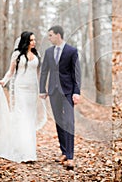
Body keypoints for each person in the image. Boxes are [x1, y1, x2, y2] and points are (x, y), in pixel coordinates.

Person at [0, 31, 46, 163]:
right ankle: (23, 151)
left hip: (33, 90)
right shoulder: (17, 54)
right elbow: (11, 72)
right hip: (20, 88)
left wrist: (43, 89)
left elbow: (39, 74)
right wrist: (4, 81)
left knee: (30, 117)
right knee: (22, 117)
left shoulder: (37, 55)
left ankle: (30, 150)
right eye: (31, 40)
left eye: (34, 40)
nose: (34, 42)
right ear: (25, 41)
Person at [39, 25, 81, 170]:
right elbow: (44, 72)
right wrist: (42, 89)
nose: (49, 38)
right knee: (59, 122)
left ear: (58, 35)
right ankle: (64, 151)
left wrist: (77, 92)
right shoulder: (48, 52)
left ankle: (70, 157)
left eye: (50, 35)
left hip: (68, 91)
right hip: (53, 91)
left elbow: (76, 73)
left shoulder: (72, 51)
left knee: (69, 122)